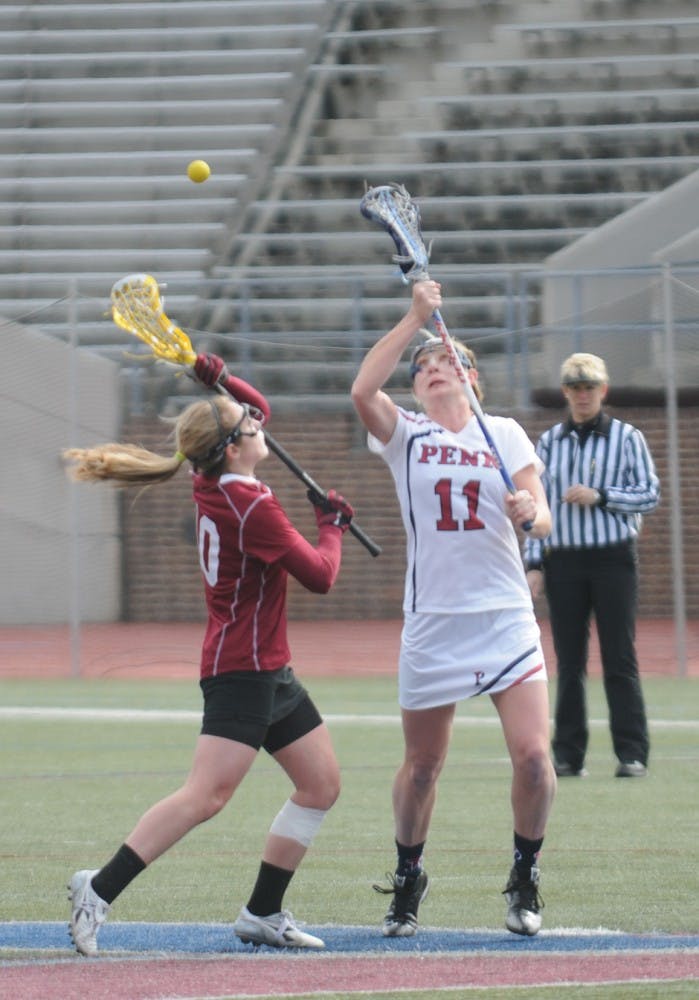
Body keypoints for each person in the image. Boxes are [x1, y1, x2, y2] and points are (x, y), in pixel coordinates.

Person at [63, 352, 355, 956]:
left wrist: (216, 376)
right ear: (230, 447)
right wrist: (332, 525)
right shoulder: (253, 507)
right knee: (206, 796)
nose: (258, 424)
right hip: (242, 671)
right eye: (246, 426)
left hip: (269, 667)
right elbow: (323, 576)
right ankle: (99, 887)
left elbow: (257, 409)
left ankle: (263, 911)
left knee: (320, 784)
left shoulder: (217, 478)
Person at [350, 279, 556, 938]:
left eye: (447, 361)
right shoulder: (403, 434)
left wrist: (531, 513)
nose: (434, 368)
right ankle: (408, 873)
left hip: (502, 617)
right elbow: (361, 391)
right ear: (415, 388)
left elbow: (542, 517)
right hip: (434, 624)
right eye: (424, 366)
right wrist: (415, 319)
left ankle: (524, 874)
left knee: (532, 757)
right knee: (422, 768)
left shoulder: (504, 433)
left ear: (473, 379)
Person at [523, 352, 660, 780]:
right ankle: (568, 754)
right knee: (569, 660)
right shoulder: (548, 443)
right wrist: (534, 564)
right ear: (565, 392)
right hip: (564, 560)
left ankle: (632, 752)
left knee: (619, 656)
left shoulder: (627, 438)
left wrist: (601, 495)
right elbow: (535, 506)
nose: (582, 396)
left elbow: (649, 494)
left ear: (603, 390)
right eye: (574, 388)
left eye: (589, 388)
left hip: (612, 558)